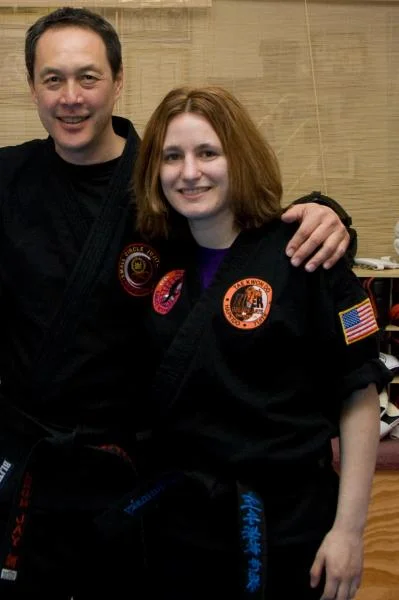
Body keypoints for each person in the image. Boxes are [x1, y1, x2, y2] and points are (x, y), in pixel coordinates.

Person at [0, 6, 354, 599]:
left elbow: (247, 232)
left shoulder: (161, 181)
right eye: (53, 79)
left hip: (133, 469)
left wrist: (325, 211)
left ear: (118, 80)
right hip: (26, 457)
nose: (71, 97)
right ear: (30, 85)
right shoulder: (7, 177)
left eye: (88, 77)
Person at [132, 85, 392, 600]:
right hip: (180, 528)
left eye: (208, 152)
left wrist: (348, 531)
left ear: (239, 158)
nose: (189, 172)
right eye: (172, 157)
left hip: (287, 526)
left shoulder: (304, 252)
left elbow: (359, 394)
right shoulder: (156, 259)